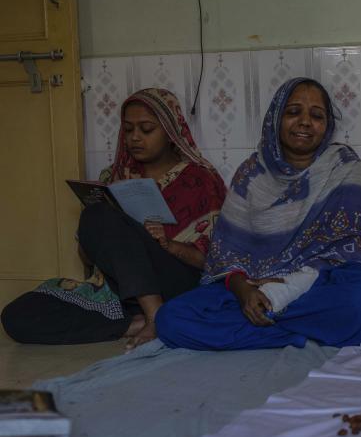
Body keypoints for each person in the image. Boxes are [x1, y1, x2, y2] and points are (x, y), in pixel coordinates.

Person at [155, 78, 361, 351]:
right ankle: (302, 334)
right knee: (171, 319)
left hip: (318, 289)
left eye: (316, 115)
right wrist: (244, 291)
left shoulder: (344, 168)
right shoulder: (251, 174)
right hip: (257, 290)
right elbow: (225, 259)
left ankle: (272, 329)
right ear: (275, 119)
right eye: (293, 112)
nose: (305, 122)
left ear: (327, 125)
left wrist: (295, 282)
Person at [1, 88, 226, 348]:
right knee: (16, 316)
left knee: (100, 214)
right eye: (128, 129)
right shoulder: (115, 176)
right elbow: (87, 257)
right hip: (122, 291)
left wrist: (169, 244)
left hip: (175, 283)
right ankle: (135, 323)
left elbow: (213, 262)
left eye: (146, 129)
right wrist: (104, 231)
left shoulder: (200, 179)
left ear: (170, 131)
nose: (135, 138)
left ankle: (156, 316)